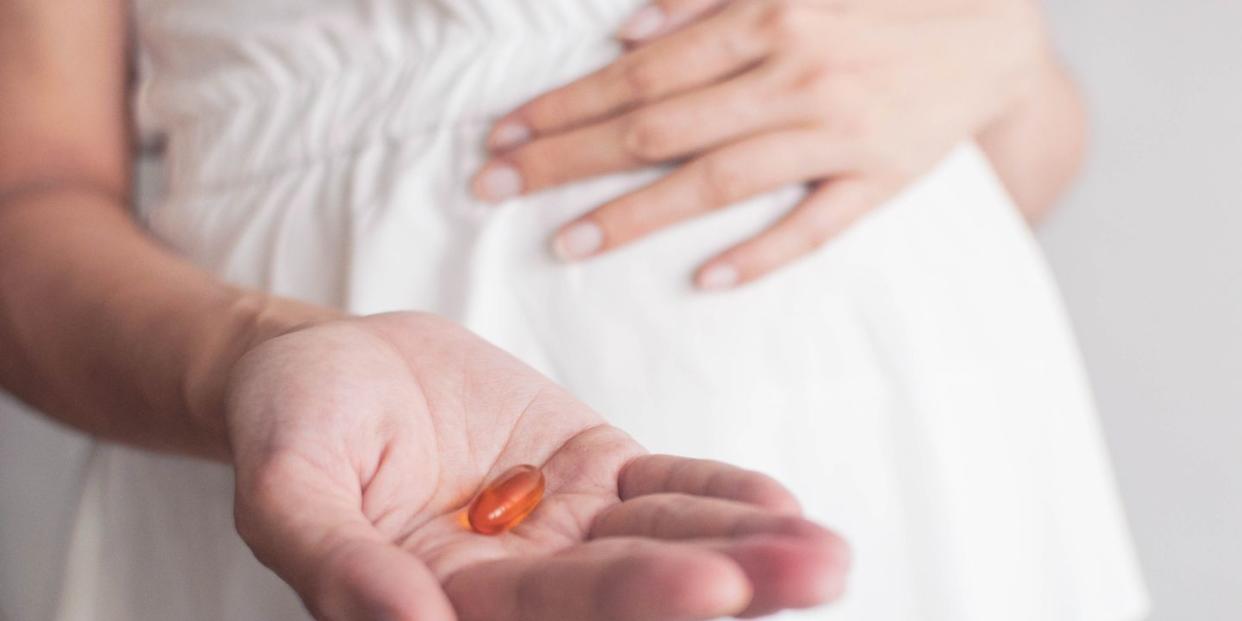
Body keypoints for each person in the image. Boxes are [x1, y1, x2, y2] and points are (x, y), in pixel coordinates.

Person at [0, 0, 1149, 619]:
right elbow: (24, 192)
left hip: (930, 432)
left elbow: (1022, 165)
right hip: (368, 480)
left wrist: (1007, 52)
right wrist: (260, 352)